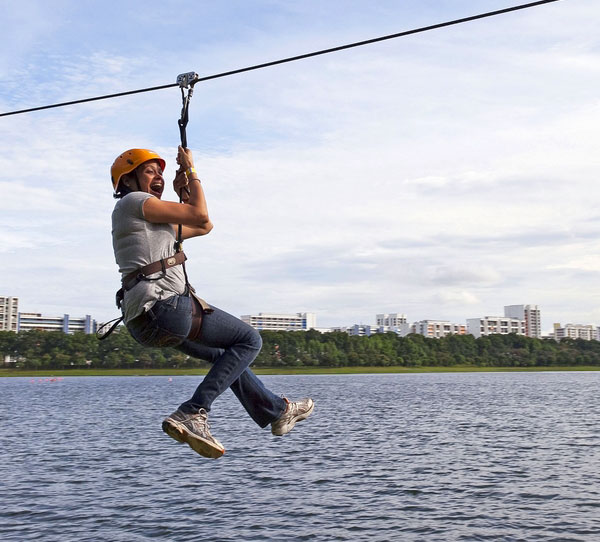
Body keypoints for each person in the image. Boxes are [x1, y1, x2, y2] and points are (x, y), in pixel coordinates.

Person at [110, 147, 314, 459]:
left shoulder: (150, 221)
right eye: (149, 171)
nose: (158, 177)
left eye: (160, 172)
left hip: (144, 321)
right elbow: (201, 215)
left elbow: (204, 226)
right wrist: (192, 172)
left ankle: (277, 411)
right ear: (128, 179)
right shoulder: (133, 201)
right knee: (249, 339)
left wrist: (185, 192)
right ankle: (193, 411)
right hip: (165, 309)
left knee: (225, 356)